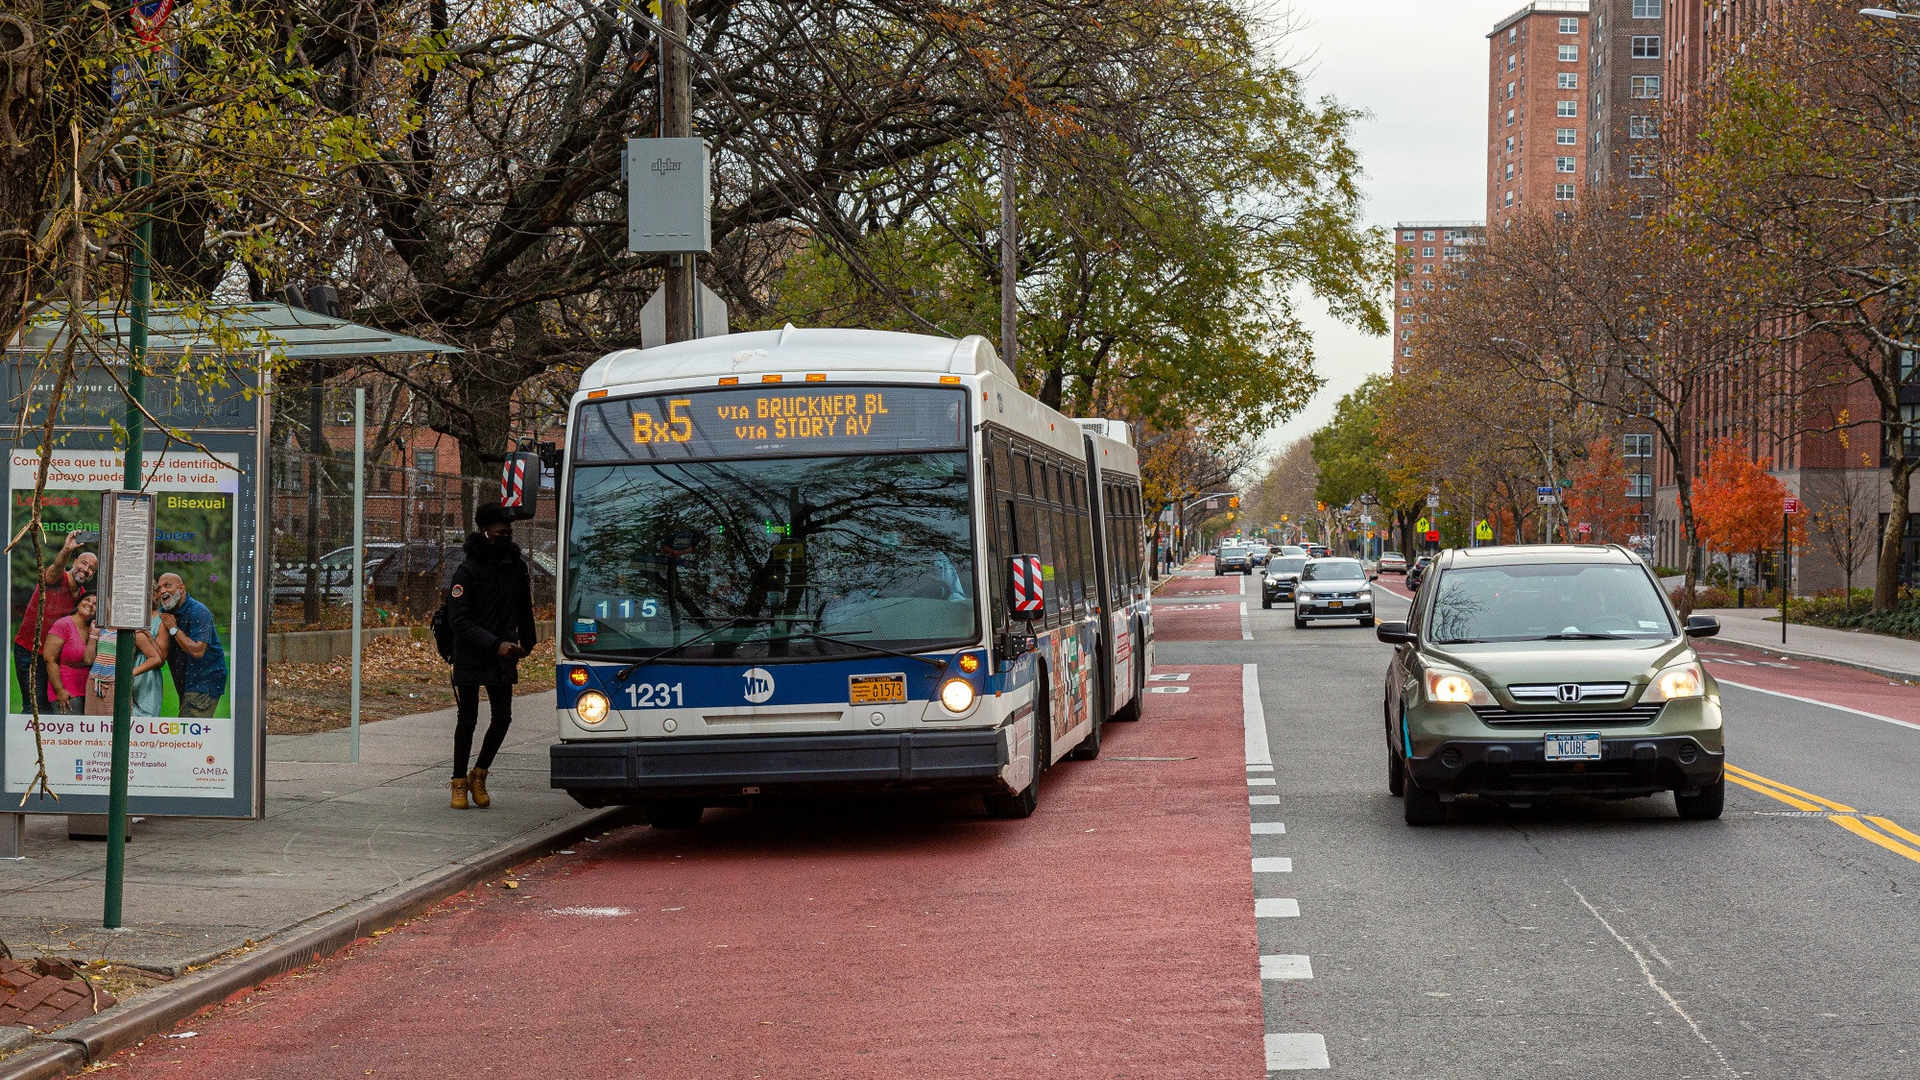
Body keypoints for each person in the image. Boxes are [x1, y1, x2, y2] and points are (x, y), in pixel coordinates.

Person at [446, 502, 537, 810]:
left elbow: (524, 607)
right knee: (467, 719)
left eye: (509, 532)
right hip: (472, 653)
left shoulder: (516, 566)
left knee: (503, 718)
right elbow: (459, 622)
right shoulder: (467, 571)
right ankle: (458, 782)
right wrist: (495, 644)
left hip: (504, 653)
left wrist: (529, 641)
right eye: (500, 532)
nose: (506, 537)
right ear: (484, 532)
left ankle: (479, 774)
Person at [12, 531, 95, 714]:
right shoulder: (57, 578)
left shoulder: (82, 597)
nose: (85, 569)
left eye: (91, 568)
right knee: (33, 706)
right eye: (83, 563)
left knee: (51, 708)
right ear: (74, 563)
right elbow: (57, 567)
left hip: (53, 657)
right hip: (29, 651)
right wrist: (67, 549)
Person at [155, 573, 228, 717]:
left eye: (167, 586)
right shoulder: (164, 613)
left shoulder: (198, 611)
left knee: (188, 730)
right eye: (159, 588)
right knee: (189, 729)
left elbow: (198, 651)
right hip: (186, 683)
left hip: (204, 682)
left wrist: (173, 629)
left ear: (181, 588)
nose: (162, 590)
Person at [85, 596, 168, 718]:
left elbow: (155, 658)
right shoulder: (101, 627)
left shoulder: (132, 631)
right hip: (94, 682)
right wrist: (93, 635)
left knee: (114, 725)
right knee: (92, 727)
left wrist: (131, 673)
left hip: (115, 684)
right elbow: (88, 660)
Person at [41, 593, 98, 715]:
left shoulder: (94, 629)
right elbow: (49, 660)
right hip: (67, 691)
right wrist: (60, 691)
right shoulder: (63, 624)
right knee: (70, 732)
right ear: (78, 603)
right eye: (87, 600)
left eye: (95, 604)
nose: (90, 604)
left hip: (89, 692)